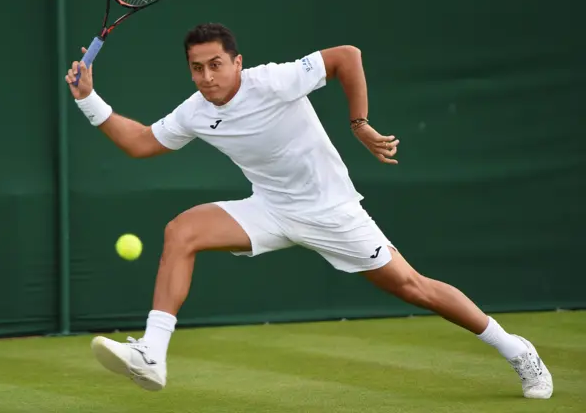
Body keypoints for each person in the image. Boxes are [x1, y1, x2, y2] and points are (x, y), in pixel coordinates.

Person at [66, 23, 553, 399]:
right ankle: (152, 353)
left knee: (414, 287)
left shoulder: (273, 82)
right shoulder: (196, 109)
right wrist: (89, 98)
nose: (207, 76)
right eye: (197, 68)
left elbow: (347, 57)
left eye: (216, 64)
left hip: (331, 211)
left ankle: (515, 349)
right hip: (270, 209)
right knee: (182, 231)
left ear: (238, 62)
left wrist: (358, 122)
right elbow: (142, 142)